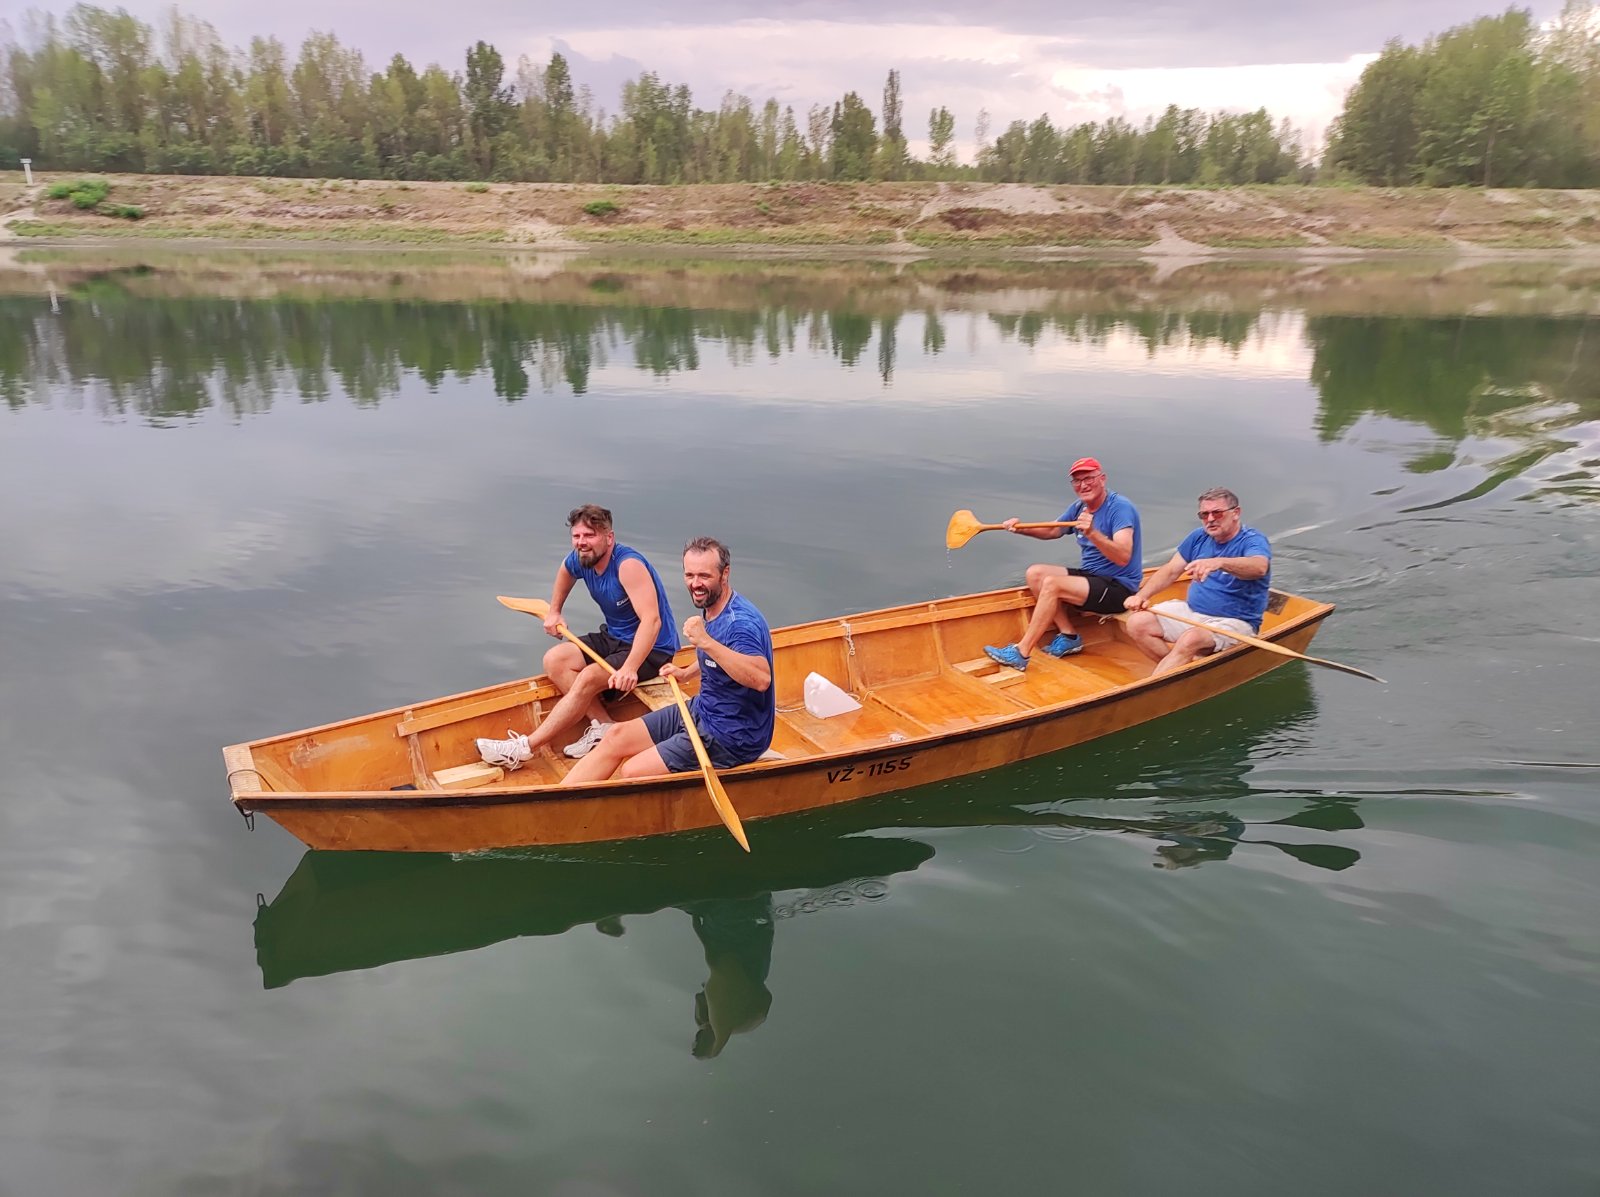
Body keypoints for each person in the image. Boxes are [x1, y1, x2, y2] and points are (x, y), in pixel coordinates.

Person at [477, 504, 680, 769]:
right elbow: (565, 571)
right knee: (556, 660)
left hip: (653, 648)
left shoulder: (628, 565)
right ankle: (604, 727)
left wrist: (630, 667)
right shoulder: (581, 558)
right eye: (577, 536)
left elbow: (652, 621)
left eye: (590, 535)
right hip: (616, 637)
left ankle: (523, 749)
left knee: (588, 677)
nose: (582, 542)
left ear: (609, 538)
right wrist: (555, 611)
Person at [562, 537, 775, 784]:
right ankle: (553, 804)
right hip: (703, 710)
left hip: (734, 736)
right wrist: (687, 673)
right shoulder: (715, 604)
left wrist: (705, 641)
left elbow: (761, 679)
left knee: (633, 771)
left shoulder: (740, 624)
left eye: (704, 576)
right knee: (615, 737)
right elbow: (721, 657)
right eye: (689, 575)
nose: (695, 584)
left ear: (725, 573)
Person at [981, 456, 1143, 671]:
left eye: (1089, 478)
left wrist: (1092, 533)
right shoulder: (1079, 508)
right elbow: (1053, 530)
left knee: (1052, 584)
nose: (1083, 485)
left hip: (1119, 589)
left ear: (1102, 479)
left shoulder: (1120, 508)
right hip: (1093, 578)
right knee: (1035, 573)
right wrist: (1021, 528)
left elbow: (1123, 556)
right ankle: (1069, 635)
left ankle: (1021, 652)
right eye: (1077, 481)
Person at [1123, 486, 1272, 676]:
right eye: (1204, 514)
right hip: (1194, 612)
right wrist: (1142, 595)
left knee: (1190, 639)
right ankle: (1178, 673)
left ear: (1236, 513)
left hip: (1236, 621)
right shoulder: (1198, 537)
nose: (1210, 519)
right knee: (1137, 623)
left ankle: (1158, 683)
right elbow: (1170, 570)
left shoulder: (1252, 539)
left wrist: (1219, 562)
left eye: (1217, 513)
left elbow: (1259, 567)